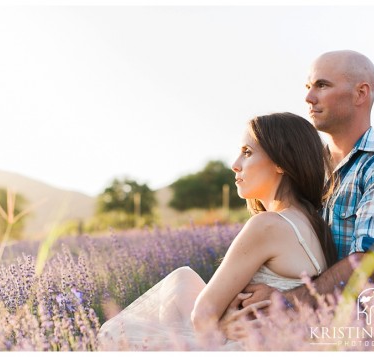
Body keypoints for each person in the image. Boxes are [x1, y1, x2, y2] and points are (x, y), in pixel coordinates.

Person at [97, 112, 338, 350]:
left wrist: (221, 325)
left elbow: (202, 316)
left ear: (280, 163)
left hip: (249, 347)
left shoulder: (268, 226)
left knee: (125, 328)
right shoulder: (313, 223)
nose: (235, 165)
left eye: (247, 153)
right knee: (182, 280)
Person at [229, 50, 374, 317]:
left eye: (322, 85)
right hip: (291, 325)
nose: (308, 97)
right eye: (308, 87)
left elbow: (368, 263)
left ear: (360, 93)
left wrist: (285, 302)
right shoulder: (305, 170)